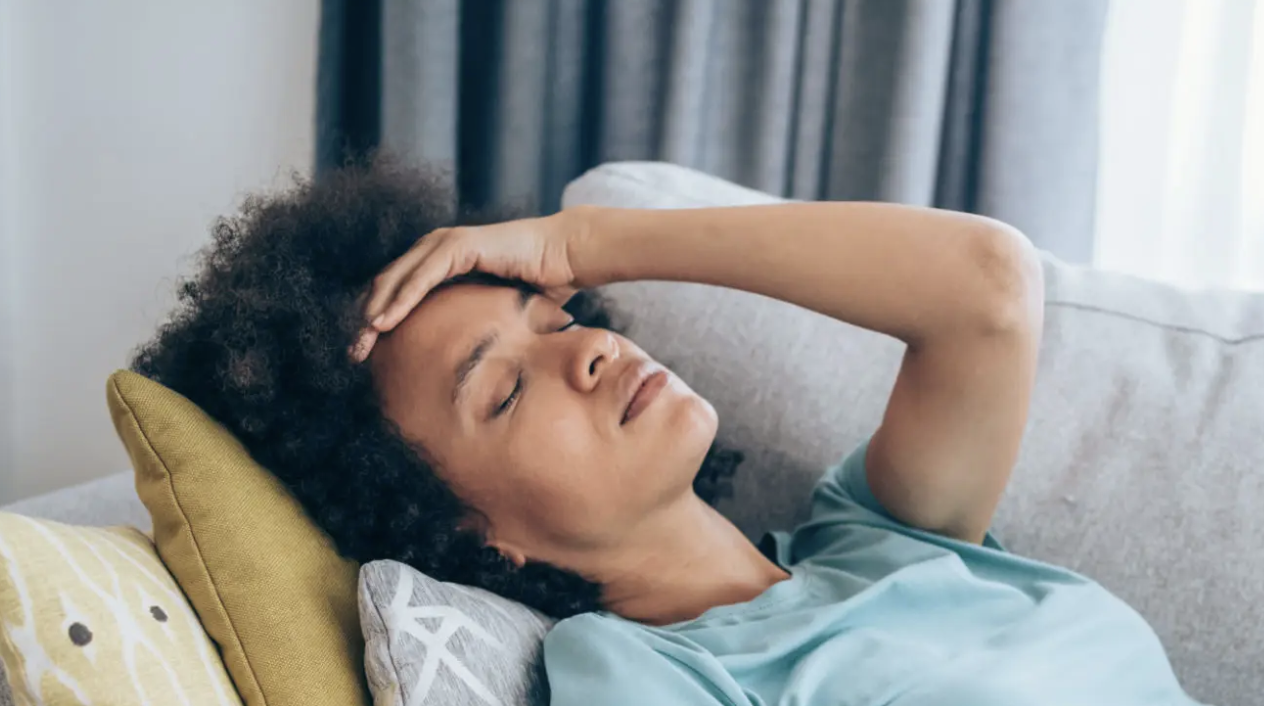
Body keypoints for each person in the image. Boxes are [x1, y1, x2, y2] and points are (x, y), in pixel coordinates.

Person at [134, 157, 1205, 705]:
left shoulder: (882, 536)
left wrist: (582, 242)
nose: (589, 352)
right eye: (503, 393)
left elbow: (991, 287)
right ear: (462, 533)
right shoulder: (627, 670)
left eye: (556, 318)